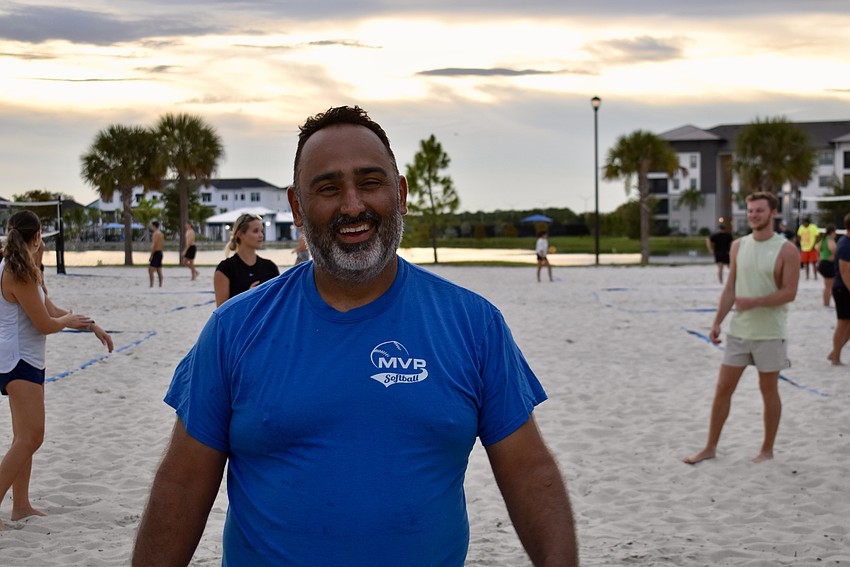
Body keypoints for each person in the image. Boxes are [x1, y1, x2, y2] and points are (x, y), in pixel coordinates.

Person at [132, 106, 578, 566]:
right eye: (328, 188)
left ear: (400, 193)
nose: (352, 205)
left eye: (370, 182)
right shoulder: (234, 329)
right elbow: (181, 483)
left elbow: (528, 469)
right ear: (297, 207)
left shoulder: (473, 324)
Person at [0, 210, 113, 531]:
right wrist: (68, 322)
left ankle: (20, 506)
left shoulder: (26, 269)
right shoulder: (16, 272)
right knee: (31, 437)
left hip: (26, 359)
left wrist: (92, 325)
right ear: (37, 237)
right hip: (18, 361)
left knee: (24, 437)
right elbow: (47, 324)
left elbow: (50, 309)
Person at [683, 191, 800, 465]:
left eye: (759, 211)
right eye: (750, 211)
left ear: (773, 213)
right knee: (723, 388)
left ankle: (767, 450)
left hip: (770, 333)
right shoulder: (738, 246)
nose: (753, 215)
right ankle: (710, 446)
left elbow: (790, 292)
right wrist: (716, 321)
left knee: (768, 390)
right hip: (739, 332)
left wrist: (756, 301)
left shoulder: (786, 250)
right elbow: (730, 287)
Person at [213, 213, 280, 307]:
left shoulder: (270, 267)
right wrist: (247, 298)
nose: (261, 235)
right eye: (255, 231)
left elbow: (278, 303)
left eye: (262, 231)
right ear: (240, 234)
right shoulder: (225, 269)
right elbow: (222, 312)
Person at [828, 213, 850, 365]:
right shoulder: (845, 245)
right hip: (843, 289)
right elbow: (844, 273)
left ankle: (834, 352)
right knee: (842, 323)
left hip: (844, 287)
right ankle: (835, 357)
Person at [817, 225, 838, 307]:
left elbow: (818, 248)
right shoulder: (830, 240)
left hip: (823, 262)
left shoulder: (823, 239)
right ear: (832, 232)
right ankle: (826, 303)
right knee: (829, 286)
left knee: (827, 285)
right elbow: (833, 249)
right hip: (828, 264)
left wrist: (822, 255)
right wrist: (833, 256)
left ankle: (826, 302)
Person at [148, 221, 164, 288]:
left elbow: (154, 244)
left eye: (151, 225)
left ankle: (151, 284)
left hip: (156, 252)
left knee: (150, 270)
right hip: (160, 252)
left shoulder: (155, 234)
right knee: (158, 269)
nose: (150, 227)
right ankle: (160, 284)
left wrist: (151, 255)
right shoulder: (161, 233)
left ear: (154, 226)